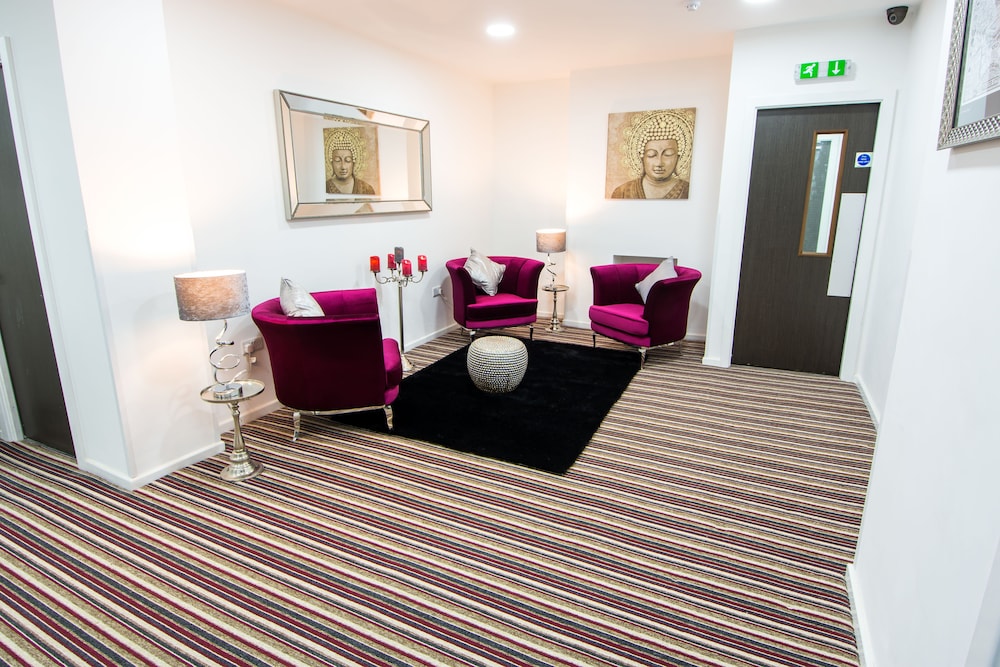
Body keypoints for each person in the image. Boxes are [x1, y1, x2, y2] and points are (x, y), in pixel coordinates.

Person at [611, 109, 693, 199]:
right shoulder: (622, 192)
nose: (659, 163)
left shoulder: (689, 190)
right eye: (651, 155)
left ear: (678, 157)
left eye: (668, 154)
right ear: (642, 158)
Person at [324, 128, 376, 196]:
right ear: (331, 162)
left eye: (347, 160)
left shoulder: (366, 189)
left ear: (353, 162)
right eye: (337, 160)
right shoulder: (324, 188)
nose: (343, 166)